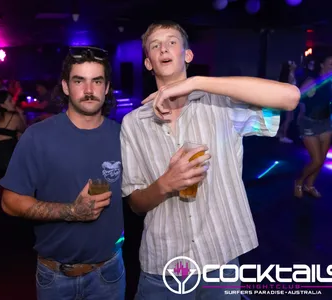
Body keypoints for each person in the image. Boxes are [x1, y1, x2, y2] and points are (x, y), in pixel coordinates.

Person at [120, 20, 300, 299]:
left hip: (221, 258)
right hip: (165, 264)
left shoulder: (220, 106)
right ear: (148, 63)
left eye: (172, 42)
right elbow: (135, 202)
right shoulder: (134, 123)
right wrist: (166, 183)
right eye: (155, 45)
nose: (164, 48)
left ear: (187, 56)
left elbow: (290, 97)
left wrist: (198, 82)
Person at [0, 46, 125, 300]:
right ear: (66, 87)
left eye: (96, 81)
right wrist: (71, 211)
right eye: (79, 81)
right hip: (55, 277)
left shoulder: (123, 136)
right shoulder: (38, 136)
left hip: (109, 272)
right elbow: (9, 202)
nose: (89, 91)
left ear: (107, 87)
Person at [294, 54, 332, 198]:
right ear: (322, 64)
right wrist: (305, 97)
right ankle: (299, 182)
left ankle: (309, 185)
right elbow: (296, 97)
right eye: (331, 63)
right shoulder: (312, 80)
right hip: (309, 123)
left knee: (321, 161)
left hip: (326, 123)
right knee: (316, 160)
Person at [0, 90, 26, 177]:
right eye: (10, 100)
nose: (14, 102)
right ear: (2, 104)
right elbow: (25, 130)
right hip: (6, 161)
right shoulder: (13, 117)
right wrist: (21, 113)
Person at [277, 60, 298, 144]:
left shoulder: (285, 75)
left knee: (287, 118)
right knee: (288, 118)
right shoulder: (290, 75)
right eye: (293, 64)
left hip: (285, 99)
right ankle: (283, 136)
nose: (295, 65)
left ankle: (280, 133)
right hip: (288, 100)